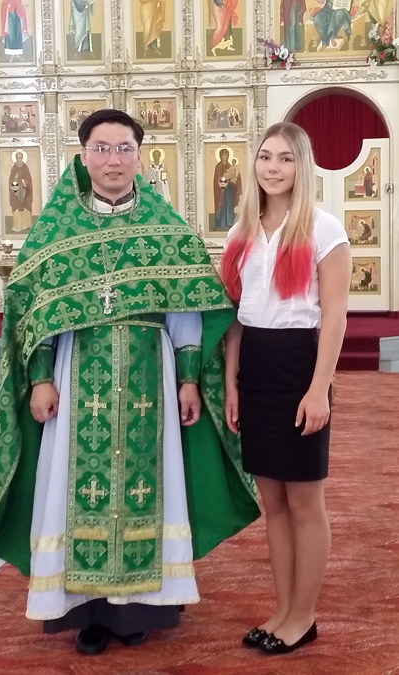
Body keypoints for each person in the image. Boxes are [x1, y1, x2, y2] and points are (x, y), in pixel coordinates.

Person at [0, 109, 260, 656]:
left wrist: (188, 380)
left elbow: (184, 308)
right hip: (76, 376)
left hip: (150, 378)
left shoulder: (165, 228)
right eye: (101, 149)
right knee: (72, 486)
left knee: (151, 488)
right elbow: (37, 315)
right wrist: (40, 379)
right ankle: (86, 612)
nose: (113, 159)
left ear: (139, 156)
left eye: (124, 148)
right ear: (83, 156)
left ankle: (140, 610)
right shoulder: (57, 231)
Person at [221, 122, 351, 654]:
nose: (272, 168)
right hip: (254, 365)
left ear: (302, 166)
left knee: (303, 500)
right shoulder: (241, 233)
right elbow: (234, 318)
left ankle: (303, 615)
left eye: (285, 159)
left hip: (299, 365)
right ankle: (281, 611)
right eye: (265, 157)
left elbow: (336, 315)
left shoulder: (324, 229)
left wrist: (319, 389)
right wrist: (231, 382)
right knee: (272, 501)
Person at [213, 147, 242, 231]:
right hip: (221, 191)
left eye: (226, 155)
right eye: (223, 155)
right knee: (222, 205)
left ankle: (230, 222)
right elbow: (217, 178)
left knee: (229, 205)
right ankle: (220, 223)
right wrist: (221, 182)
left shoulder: (231, 166)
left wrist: (234, 178)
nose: (225, 157)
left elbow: (236, 175)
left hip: (229, 190)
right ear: (220, 156)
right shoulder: (218, 166)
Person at [9, 151, 33, 232]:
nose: (19, 159)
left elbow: (28, 179)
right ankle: (17, 226)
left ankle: (27, 225)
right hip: (16, 190)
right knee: (16, 206)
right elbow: (11, 179)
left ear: (22, 158)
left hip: (25, 190)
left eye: (20, 158)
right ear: (16, 158)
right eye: (17, 158)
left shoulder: (25, 167)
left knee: (26, 206)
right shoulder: (14, 168)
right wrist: (15, 182)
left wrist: (24, 182)